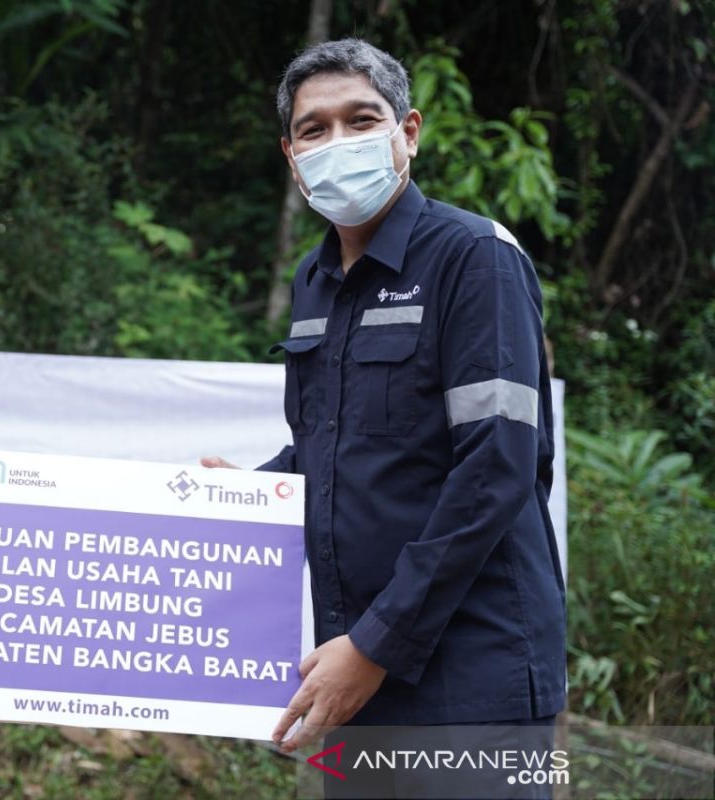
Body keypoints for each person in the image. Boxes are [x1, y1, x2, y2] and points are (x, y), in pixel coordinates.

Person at [205, 39, 565, 796]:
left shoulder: (475, 258)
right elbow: (327, 450)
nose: (337, 143)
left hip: (473, 681)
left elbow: (496, 466)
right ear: (291, 154)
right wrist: (243, 494)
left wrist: (374, 645)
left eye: (360, 119)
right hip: (355, 677)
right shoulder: (315, 279)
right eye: (314, 129)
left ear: (408, 132)